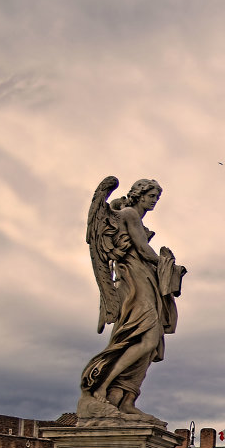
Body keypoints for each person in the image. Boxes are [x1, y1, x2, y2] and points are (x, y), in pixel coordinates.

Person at [80, 177, 184, 420]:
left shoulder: (133, 218)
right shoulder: (128, 214)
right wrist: (168, 264)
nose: (154, 201)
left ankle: (125, 399)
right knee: (145, 337)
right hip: (134, 279)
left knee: (151, 342)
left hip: (145, 277)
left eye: (157, 197)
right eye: (151, 196)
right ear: (138, 194)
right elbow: (143, 249)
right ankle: (102, 387)